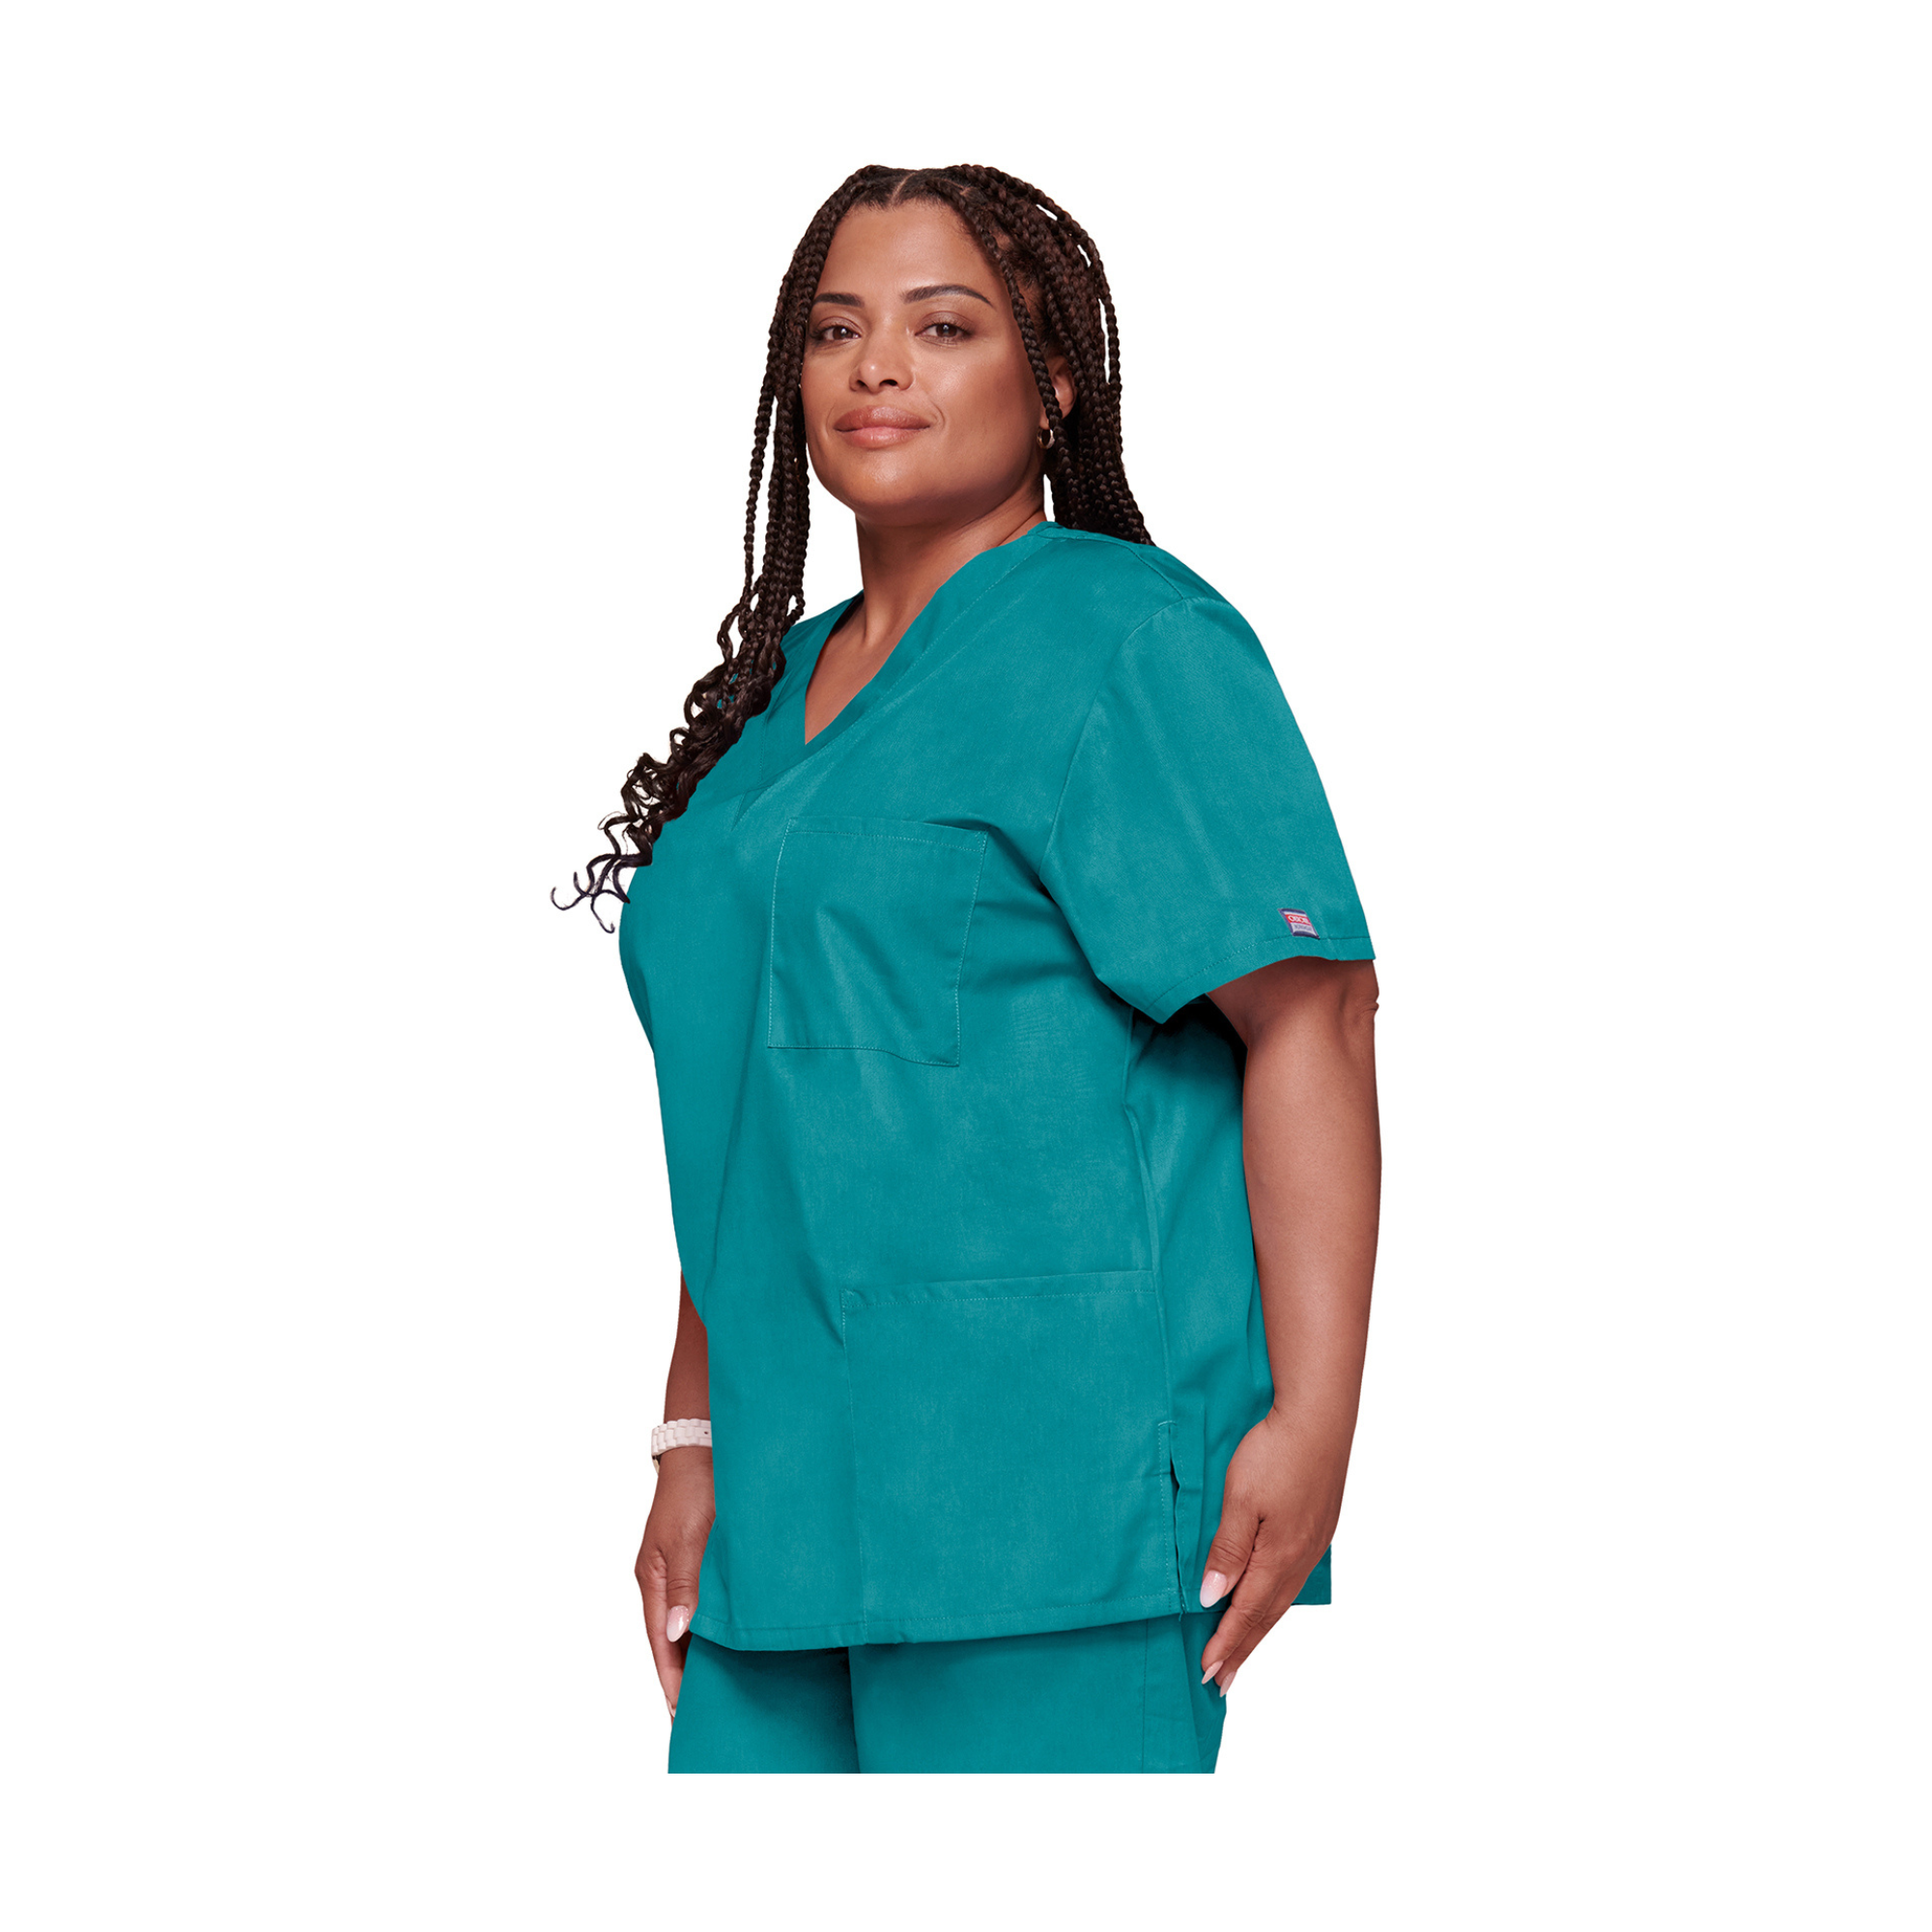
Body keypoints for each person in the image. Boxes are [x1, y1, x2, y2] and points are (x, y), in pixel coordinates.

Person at [561, 163, 1381, 1774]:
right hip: (782, 1515)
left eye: (944, 326)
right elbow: (756, 1105)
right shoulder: (776, 698)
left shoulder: (1129, 640)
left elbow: (1315, 1015)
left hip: (1053, 1504)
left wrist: (1315, 1424)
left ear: (1053, 378)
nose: (878, 366)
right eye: (835, 330)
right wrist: (691, 1433)